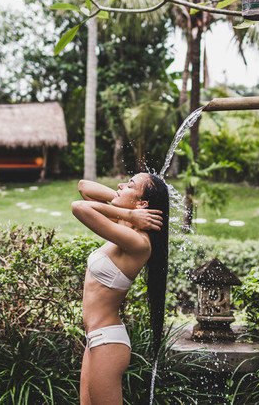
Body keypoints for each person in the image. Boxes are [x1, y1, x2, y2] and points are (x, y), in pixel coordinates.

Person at [71, 173, 169, 404]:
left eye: (129, 185)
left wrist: (128, 210)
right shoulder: (124, 224)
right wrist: (129, 209)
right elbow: (84, 187)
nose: (119, 185)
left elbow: (79, 208)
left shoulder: (139, 242)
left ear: (142, 204)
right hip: (96, 338)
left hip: (108, 342)